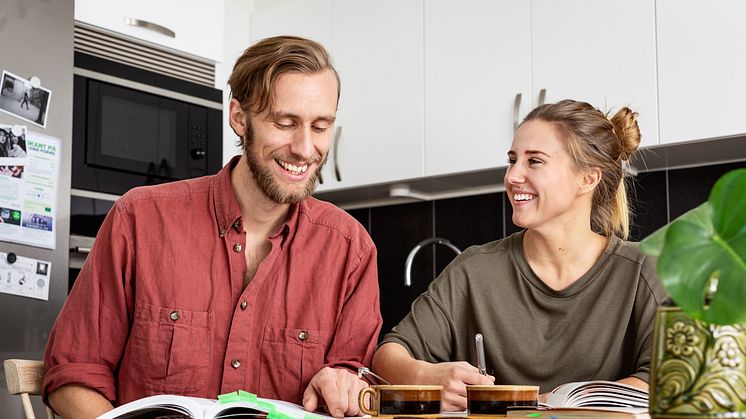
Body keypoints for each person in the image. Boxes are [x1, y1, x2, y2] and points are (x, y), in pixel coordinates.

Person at [43, 35, 382, 419]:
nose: (305, 149)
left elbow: (354, 386)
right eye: (285, 124)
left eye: (321, 127)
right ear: (239, 116)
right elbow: (73, 376)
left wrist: (345, 385)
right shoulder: (139, 219)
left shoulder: (351, 250)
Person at [372, 100, 669, 410]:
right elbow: (388, 354)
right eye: (512, 160)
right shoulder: (473, 271)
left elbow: (661, 379)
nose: (513, 176)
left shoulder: (643, 271)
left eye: (534, 162)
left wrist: (535, 406)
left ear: (588, 178)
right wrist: (427, 375)